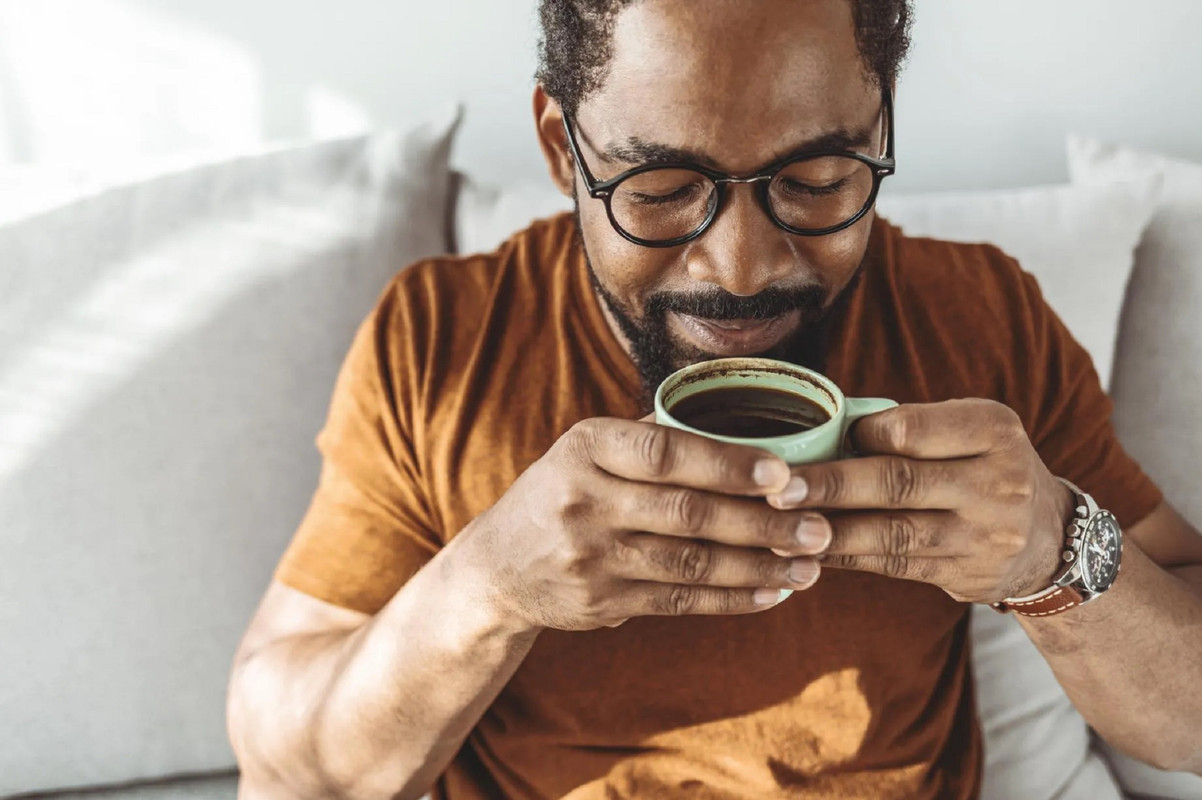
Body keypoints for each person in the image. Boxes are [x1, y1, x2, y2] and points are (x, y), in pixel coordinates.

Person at [226, 1, 1202, 798]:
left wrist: (1051, 548)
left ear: (882, 125)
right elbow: (286, 771)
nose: (739, 267)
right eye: (659, 188)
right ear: (562, 149)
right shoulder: (440, 341)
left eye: (815, 179)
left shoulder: (979, 317)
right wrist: (488, 585)